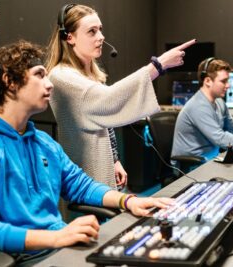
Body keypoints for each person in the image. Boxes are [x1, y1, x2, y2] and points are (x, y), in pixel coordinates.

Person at [0, 40, 173, 258]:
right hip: (16, 258)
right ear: (10, 82)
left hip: (55, 249)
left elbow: (81, 186)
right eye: (39, 75)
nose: (50, 83)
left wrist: (128, 201)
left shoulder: (43, 142)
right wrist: (55, 237)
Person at [45, 3, 196, 190]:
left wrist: (114, 160)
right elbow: (108, 100)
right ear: (69, 37)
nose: (101, 37)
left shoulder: (89, 75)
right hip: (83, 179)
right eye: (92, 32)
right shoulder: (61, 77)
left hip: (100, 168)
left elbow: (103, 121)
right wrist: (158, 65)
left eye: (100, 30)